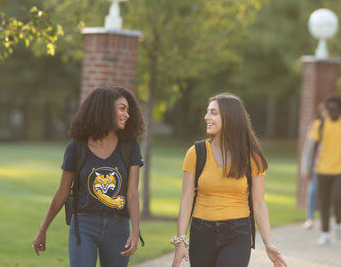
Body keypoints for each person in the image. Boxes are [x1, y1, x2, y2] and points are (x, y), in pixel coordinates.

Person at [33, 86, 145, 267]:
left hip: (118, 227)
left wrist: (135, 231)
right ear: (106, 109)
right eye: (122, 108)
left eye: (128, 110)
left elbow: (132, 193)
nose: (127, 114)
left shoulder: (130, 146)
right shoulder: (76, 147)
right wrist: (43, 229)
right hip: (84, 226)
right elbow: (62, 191)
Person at [171, 93, 287, 267]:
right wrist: (181, 241)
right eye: (207, 112)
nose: (206, 117)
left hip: (237, 233)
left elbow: (259, 202)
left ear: (229, 117)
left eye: (213, 112)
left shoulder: (251, 156)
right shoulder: (195, 153)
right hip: (201, 231)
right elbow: (186, 199)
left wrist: (268, 243)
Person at [304, 96, 341, 245]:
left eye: (335, 108)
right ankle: (325, 234)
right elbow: (313, 147)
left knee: (338, 198)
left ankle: (339, 223)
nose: (333, 111)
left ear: (340, 109)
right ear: (326, 110)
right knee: (324, 202)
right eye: (330, 109)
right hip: (321, 170)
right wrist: (308, 168)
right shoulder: (319, 124)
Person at [299, 102, 328, 230]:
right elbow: (309, 148)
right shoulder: (316, 126)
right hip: (317, 166)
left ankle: (325, 219)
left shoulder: (339, 126)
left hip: (332, 168)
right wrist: (305, 167)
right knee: (313, 192)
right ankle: (310, 218)